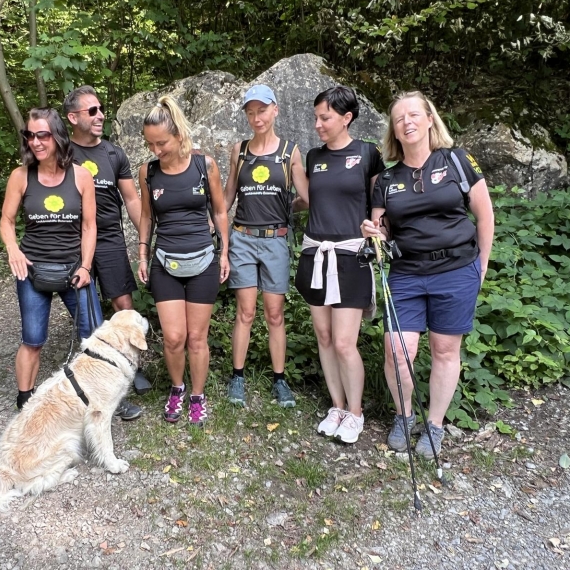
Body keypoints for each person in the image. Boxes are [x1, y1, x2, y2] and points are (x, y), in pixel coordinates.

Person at [361, 90, 494, 458]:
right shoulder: (386, 180)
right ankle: (404, 416)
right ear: (394, 131)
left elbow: (485, 215)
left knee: (445, 349)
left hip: (456, 269)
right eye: (400, 118)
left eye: (414, 114)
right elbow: (381, 227)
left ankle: (434, 425)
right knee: (397, 351)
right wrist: (373, 231)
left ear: (429, 119)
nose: (407, 121)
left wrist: (481, 266)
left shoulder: (457, 160)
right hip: (406, 272)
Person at [293, 86, 385, 444]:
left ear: (346, 118)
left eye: (325, 117)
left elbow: (380, 201)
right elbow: (306, 200)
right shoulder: (314, 157)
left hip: (351, 255)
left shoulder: (367, 153)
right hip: (316, 252)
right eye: (316, 117)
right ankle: (337, 405)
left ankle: (356, 413)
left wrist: (379, 230)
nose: (318, 124)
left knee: (346, 342)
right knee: (325, 336)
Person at [0, 107, 102, 412]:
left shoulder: (81, 176)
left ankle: (99, 396)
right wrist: (13, 250)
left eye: (42, 134)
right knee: (32, 339)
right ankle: (25, 400)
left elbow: (89, 225)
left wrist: (85, 266)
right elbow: (6, 221)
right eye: (30, 135)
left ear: (57, 136)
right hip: (32, 270)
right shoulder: (20, 176)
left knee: (94, 337)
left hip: (74, 270)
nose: (35, 142)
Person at [137, 96, 230, 426]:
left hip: (203, 260)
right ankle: (177, 388)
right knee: (174, 338)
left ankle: (197, 395)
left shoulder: (205, 165)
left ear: (178, 134)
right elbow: (147, 216)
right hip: (166, 261)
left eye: (161, 142)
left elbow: (219, 210)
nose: (156, 150)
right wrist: (143, 254)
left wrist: (224, 252)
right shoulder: (148, 171)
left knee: (196, 338)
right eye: (150, 144)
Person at [63, 85, 146, 421]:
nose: (100, 116)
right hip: (74, 237)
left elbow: (132, 199)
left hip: (110, 237)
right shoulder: (62, 152)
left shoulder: (114, 154)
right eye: (91, 111)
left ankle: (129, 364)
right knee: (86, 306)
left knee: (122, 302)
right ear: (73, 118)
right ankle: (96, 369)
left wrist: (145, 237)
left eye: (100, 109)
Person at [223, 84, 306, 409]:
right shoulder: (239, 151)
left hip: (275, 240)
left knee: (274, 314)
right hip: (243, 237)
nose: (256, 117)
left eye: (262, 110)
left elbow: (306, 197)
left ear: (275, 110)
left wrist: (288, 207)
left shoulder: (289, 152)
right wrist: (215, 228)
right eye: (250, 111)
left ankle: (279, 379)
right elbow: (229, 196)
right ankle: (238, 377)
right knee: (245, 312)